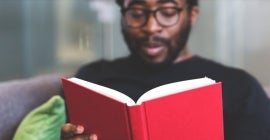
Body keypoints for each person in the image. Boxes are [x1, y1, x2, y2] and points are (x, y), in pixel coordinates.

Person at [61, 0, 270, 139]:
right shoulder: (90, 80)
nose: (151, 27)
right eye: (137, 13)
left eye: (168, 13)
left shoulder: (240, 87)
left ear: (192, 15)